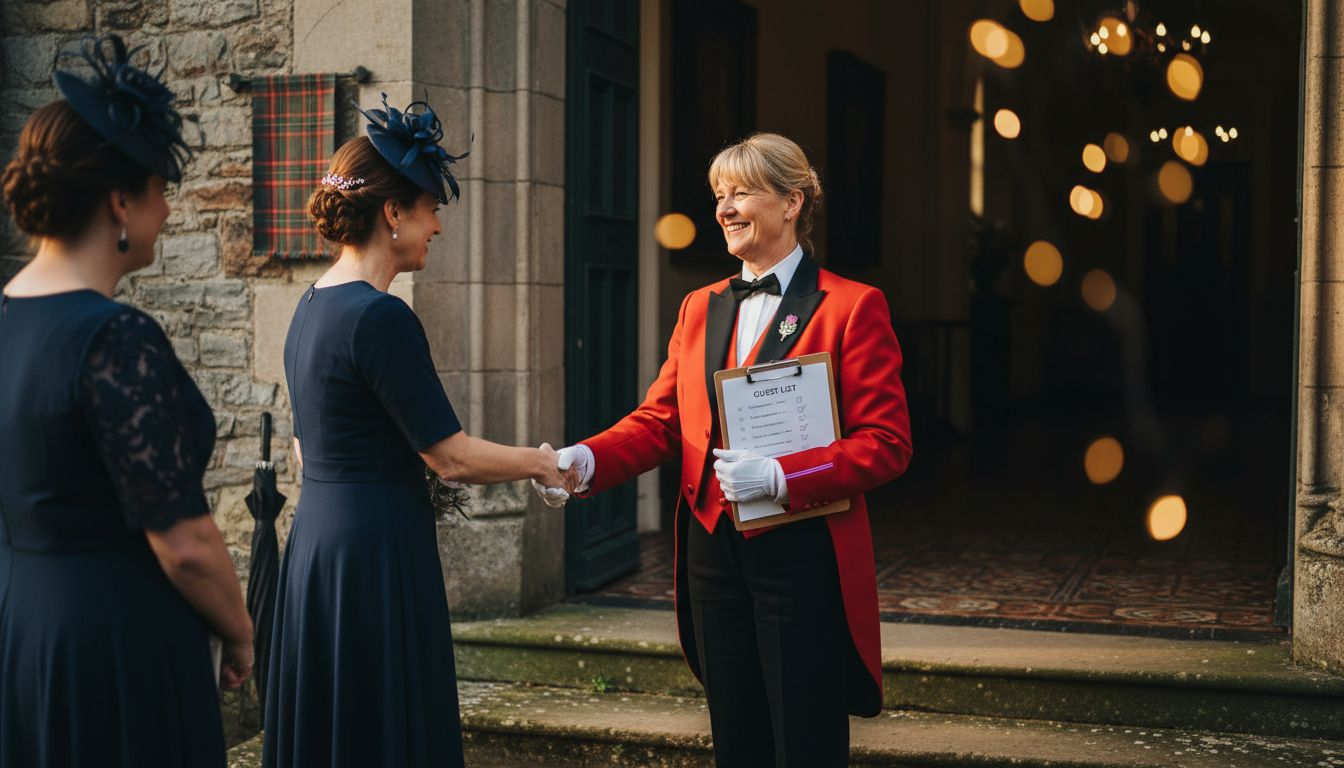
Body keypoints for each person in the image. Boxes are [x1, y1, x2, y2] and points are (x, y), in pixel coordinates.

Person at [537, 133, 912, 767]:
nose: (725, 209)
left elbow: (887, 443)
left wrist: (784, 476)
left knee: (805, 740)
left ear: (792, 202)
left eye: (741, 193)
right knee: (735, 736)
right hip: (710, 552)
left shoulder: (852, 306)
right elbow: (662, 421)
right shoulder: (698, 307)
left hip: (800, 551)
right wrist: (589, 459)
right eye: (719, 196)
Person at [262, 93, 569, 768]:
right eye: (429, 207)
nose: (437, 225)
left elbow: (306, 447)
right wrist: (541, 463)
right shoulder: (379, 317)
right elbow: (450, 458)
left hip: (319, 544)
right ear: (393, 213)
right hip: (375, 552)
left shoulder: (310, 305)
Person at [0, 35, 253, 768]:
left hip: (23, 632)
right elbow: (184, 543)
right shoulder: (114, 338)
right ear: (120, 201)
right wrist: (241, 632)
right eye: (160, 191)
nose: (168, 212)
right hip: (112, 647)